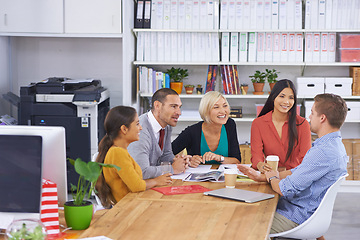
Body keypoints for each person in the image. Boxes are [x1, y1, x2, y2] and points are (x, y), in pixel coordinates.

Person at [238, 93, 348, 239]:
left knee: (240, 223)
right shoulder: (334, 145)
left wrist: (271, 178)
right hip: (305, 210)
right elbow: (298, 172)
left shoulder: (323, 152)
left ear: (322, 118)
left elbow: (284, 189)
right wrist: (263, 177)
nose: (309, 117)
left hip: (297, 216)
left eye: (312, 113)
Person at [95, 106, 172, 208]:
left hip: (133, 203)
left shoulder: (121, 150)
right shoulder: (117, 153)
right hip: (128, 209)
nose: (140, 127)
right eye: (137, 124)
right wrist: (156, 181)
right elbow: (137, 186)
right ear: (124, 129)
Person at [251, 79, 311, 172]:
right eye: (282, 96)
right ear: (273, 97)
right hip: (270, 175)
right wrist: (260, 165)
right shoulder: (258, 124)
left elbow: (306, 160)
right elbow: (256, 157)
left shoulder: (302, 124)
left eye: (291, 98)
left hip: (295, 177)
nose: (286, 102)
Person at [127, 88, 188, 179]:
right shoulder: (140, 131)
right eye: (173, 106)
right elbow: (141, 171)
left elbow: (165, 155)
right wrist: (171, 169)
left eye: (179, 107)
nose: (179, 113)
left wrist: (179, 161)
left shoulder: (166, 126)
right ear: (157, 106)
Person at [172, 91, 241, 167]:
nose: (223, 111)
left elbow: (237, 160)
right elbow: (166, 156)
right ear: (206, 111)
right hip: (196, 177)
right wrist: (187, 160)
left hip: (224, 177)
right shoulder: (192, 131)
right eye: (216, 107)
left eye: (225, 106)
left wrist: (219, 158)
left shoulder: (230, 125)